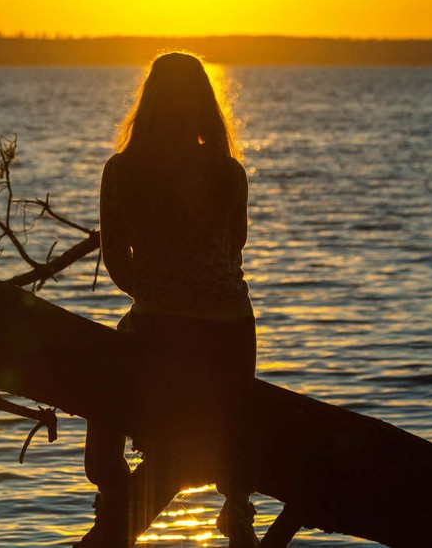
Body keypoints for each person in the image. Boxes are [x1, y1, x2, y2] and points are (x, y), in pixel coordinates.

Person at [79, 52, 258, 547]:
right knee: (238, 416)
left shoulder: (122, 171)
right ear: (202, 105)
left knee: (107, 366)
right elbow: (234, 249)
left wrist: (158, 293)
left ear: (150, 104)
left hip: (163, 325)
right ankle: (238, 504)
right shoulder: (229, 171)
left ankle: (111, 484)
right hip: (232, 332)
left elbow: (116, 261)